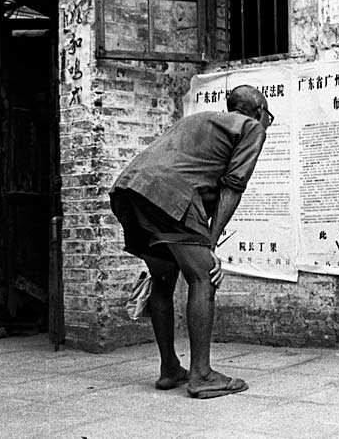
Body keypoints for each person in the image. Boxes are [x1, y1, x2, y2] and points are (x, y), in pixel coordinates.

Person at [109, 85, 272, 399]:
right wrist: (210, 245)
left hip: (129, 191)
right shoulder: (251, 127)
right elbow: (233, 187)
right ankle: (202, 375)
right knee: (204, 277)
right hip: (169, 195)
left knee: (163, 278)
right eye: (269, 116)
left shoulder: (203, 121)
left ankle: (170, 369)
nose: (268, 123)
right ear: (258, 111)